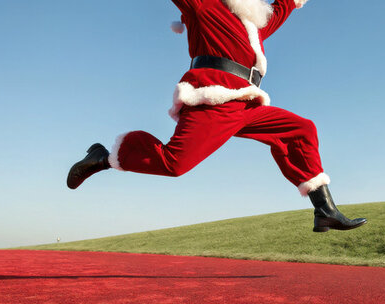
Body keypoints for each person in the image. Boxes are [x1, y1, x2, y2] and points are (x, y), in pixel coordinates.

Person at [66, 0, 366, 232]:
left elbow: (282, 6)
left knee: (301, 129)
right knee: (175, 164)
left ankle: (325, 211)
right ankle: (105, 157)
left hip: (247, 103)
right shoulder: (203, 5)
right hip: (213, 98)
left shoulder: (254, 22)